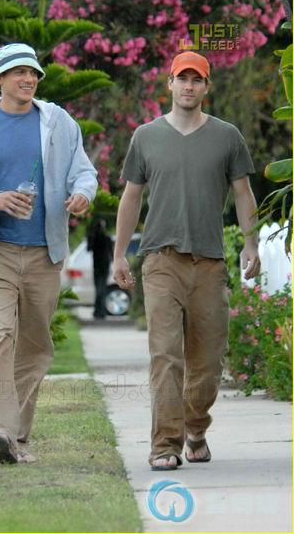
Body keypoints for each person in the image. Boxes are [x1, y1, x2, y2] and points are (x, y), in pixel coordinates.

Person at [0, 43, 97, 464]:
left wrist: (83, 193)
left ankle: (17, 437)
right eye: (19, 72)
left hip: (44, 255)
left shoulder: (58, 122)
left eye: (34, 73)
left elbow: (83, 171)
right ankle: (0, 430)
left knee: (34, 347)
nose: (29, 79)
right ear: (0, 80)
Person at [113, 51, 260, 471]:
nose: (189, 86)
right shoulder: (145, 137)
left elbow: (243, 193)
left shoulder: (227, 136)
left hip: (209, 263)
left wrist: (251, 244)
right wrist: (119, 254)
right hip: (161, 261)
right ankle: (165, 445)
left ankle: (196, 428)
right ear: (170, 84)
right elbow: (131, 197)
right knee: (165, 355)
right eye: (183, 79)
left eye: (197, 80)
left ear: (206, 87)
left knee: (207, 363)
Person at [87, 218, 113, 318]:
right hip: (104, 265)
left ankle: (98, 310)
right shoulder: (107, 237)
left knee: (98, 288)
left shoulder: (93, 238)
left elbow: (88, 249)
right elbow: (111, 253)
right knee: (102, 288)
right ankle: (101, 311)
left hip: (97, 265)